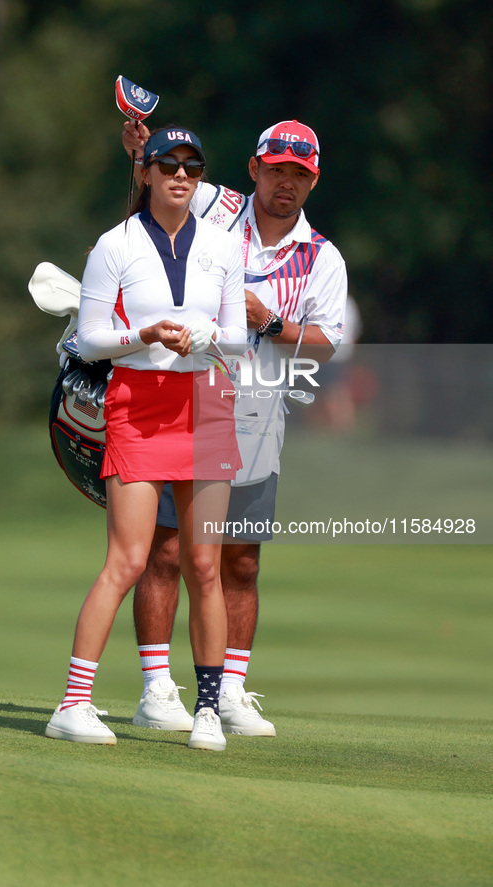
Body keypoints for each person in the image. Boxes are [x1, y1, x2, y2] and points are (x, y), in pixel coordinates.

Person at [122, 119, 348, 736]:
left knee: (239, 560)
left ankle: (230, 690)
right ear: (254, 169)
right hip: (180, 394)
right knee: (166, 548)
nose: (286, 184)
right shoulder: (215, 205)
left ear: (312, 182)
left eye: (299, 175)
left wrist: (270, 321)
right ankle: (157, 687)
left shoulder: (322, 257)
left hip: (256, 411)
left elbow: (328, 345)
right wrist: (142, 151)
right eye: (276, 170)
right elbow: (161, 179)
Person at [45, 127, 247, 752]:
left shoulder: (222, 244)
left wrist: (202, 337)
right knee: (129, 560)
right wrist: (147, 334)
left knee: (206, 565)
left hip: (208, 402)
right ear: (147, 173)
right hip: (138, 402)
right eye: (168, 164)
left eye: (192, 165)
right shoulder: (115, 245)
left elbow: (239, 337)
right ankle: (73, 704)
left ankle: (208, 709)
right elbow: (89, 338)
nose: (181, 175)